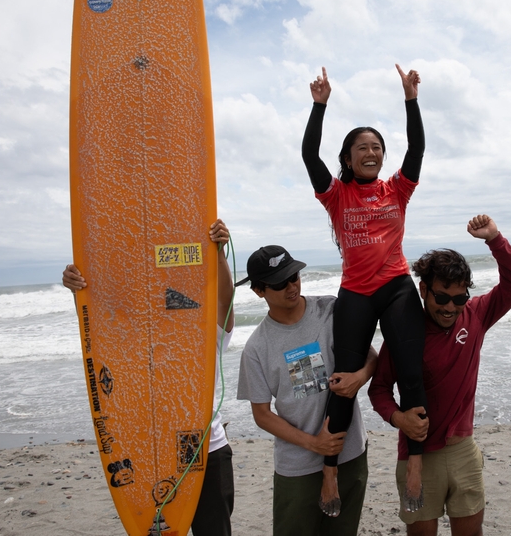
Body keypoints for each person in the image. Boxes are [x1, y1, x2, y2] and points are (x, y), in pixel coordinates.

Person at [301, 64, 428, 515]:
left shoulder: (397, 189)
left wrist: (410, 98)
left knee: (412, 373)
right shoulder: (337, 195)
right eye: (362, 148)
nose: (371, 152)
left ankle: (414, 465)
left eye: (376, 147)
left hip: (396, 287)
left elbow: (416, 147)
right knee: (343, 382)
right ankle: (330, 469)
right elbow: (309, 156)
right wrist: (320, 106)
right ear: (350, 158)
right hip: (355, 292)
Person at [62, 219, 237, 536]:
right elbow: (96, 328)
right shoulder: (132, 345)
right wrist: (79, 291)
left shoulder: (202, 332)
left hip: (206, 449)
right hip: (148, 451)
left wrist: (220, 254)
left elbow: (225, 301)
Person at [368, 214, 511, 535]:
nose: (449, 308)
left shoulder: (476, 315)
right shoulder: (404, 333)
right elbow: (380, 390)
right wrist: (399, 420)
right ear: (423, 289)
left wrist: (494, 239)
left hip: (463, 451)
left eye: (458, 299)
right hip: (417, 458)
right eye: (441, 297)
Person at [235, 244, 376, 535]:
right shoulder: (256, 348)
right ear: (259, 291)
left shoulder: (329, 310)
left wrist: (360, 378)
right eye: (279, 283)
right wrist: (315, 445)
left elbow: (372, 357)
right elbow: (262, 414)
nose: (291, 286)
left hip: (349, 453)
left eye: (294, 277)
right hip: (298, 467)